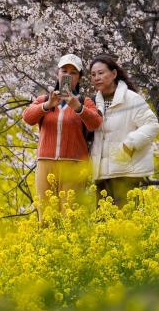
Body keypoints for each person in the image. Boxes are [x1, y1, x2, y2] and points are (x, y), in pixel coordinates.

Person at [22, 53, 102, 220]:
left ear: (79, 78)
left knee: (69, 216)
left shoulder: (85, 102)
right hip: (45, 162)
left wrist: (77, 106)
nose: (67, 75)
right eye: (64, 70)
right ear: (57, 74)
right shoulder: (44, 99)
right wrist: (47, 105)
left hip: (74, 165)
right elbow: (28, 118)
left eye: (73, 73)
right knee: (46, 216)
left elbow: (95, 123)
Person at [88, 54, 159, 207]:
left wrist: (129, 144)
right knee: (103, 225)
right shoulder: (94, 102)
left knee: (125, 223)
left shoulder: (131, 99)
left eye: (101, 73)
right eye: (93, 75)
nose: (96, 78)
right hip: (101, 175)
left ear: (114, 74)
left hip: (126, 172)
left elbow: (152, 124)